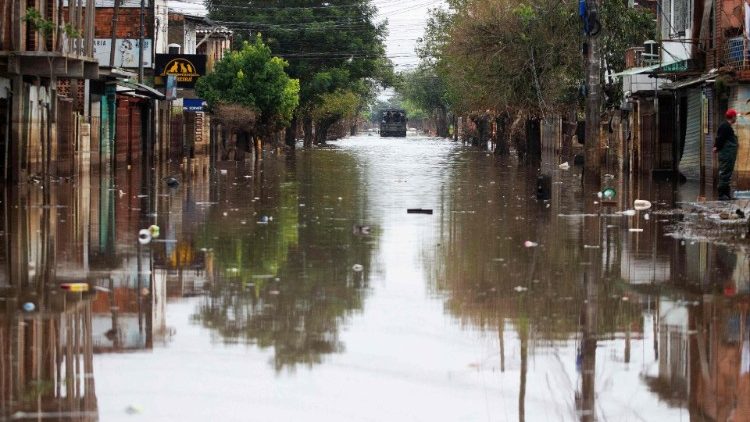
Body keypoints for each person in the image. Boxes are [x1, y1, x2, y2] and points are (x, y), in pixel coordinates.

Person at [714, 109, 739, 200]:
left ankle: (727, 194)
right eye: (735, 116)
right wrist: (716, 146)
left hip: (729, 156)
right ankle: (721, 194)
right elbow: (720, 138)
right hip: (726, 155)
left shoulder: (727, 126)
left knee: (727, 174)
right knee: (724, 173)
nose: (736, 118)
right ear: (732, 117)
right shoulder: (725, 126)